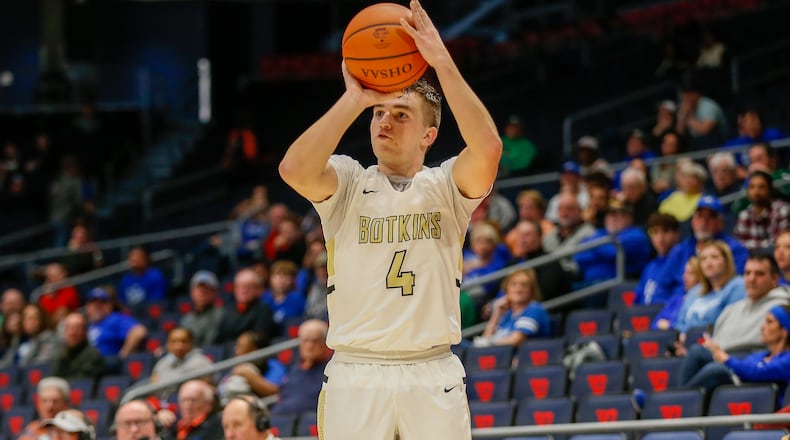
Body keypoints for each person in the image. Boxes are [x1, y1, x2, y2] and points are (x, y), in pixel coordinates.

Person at [277, 1, 502, 437]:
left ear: (428, 135)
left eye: (401, 115)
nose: (385, 121)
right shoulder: (347, 181)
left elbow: (488, 150)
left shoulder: (445, 187)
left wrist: (441, 62)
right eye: (379, 113)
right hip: (356, 372)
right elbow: (293, 170)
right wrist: (355, 98)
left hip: (431, 370)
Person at [652, 195, 749, 304]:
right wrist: (668, 310)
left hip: (714, 304)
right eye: (699, 216)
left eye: (710, 217)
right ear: (693, 221)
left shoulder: (734, 249)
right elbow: (662, 287)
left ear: (720, 223)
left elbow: (735, 286)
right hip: (677, 306)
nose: (704, 222)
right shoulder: (680, 250)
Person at [682, 304, 790, 397]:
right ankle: (679, 402)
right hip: (738, 388)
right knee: (697, 351)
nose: (762, 327)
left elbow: (756, 373)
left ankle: (680, 404)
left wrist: (725, 358)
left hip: (755, 399)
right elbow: (745, 368)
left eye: (769, 322)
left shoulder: (787, 359)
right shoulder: (759, 355)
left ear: (785, 330)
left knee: (716, 370)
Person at [672, 240, 746, 339]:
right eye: (703, 259)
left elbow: (728, 323)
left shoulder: (737, 285)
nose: (708, 262)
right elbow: (680, 324)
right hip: (686, 345)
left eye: (714, 257)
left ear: (726, 261)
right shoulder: (695, 291)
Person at [270, 319, 332, 416]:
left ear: (325, 343)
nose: (309, 346)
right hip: (281, 422)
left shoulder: (331, 371)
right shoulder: (294, 370)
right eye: (305, 340)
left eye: (315, 341)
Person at [476, 269, 551, 347]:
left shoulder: (534, 309)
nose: (518, 289)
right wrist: (496, 314)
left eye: (524, 285)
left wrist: (489, 343)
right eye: (513, 284)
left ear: (531, 290)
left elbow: (516, 340)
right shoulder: (508, 313)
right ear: (506, 289)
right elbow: (485, 341)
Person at [217, 331, 285, 405]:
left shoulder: (273, 366)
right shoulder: (236, 366)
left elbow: (277, 392)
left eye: (240, 346)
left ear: (253, 350)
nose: (235, 350)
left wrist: (249, 376)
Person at [149, 327, 213, 400]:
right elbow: (153, 388)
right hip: (163, 403)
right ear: (168, 344)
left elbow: (207, 388)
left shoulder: (202, 362)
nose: (179, 346)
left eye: (183, 341)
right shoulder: (161, 364)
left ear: (191, 343)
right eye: (174, 341)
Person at [215, 268, 276, 344]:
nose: (243, 290)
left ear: (259, 289)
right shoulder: (228, 310)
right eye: (239, 286)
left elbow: (260, 340)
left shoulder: (264, 311)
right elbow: (218, 337)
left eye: (248, 286)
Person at [84, 287, 147, 360]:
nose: (98, 306)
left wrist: (124, 353)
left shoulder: (115, 319)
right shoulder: (86, 323)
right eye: (93, 303)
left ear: (110, 305)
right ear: (87, 306)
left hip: (107, 363)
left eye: (102, 302)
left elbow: (139, 331)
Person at [734, 170, 790, 250]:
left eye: (761, 187)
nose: (756, 192)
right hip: (752, 260)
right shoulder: (744, 215)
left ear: (770, 190)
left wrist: (750, 245)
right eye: (752, 187)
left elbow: (777, 245)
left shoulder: (783, 210)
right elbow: (739, 245)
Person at [635, 213, 682, 305]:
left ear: (677, 234)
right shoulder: (650, 267)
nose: (660, 238)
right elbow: (638, 298)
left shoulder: (681, 260)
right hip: (644, 315)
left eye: (666, 231)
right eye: (655, 232)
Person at [52, 312, 105, 380]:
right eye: (69, 328)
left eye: (77, 328)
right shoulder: (61, 354)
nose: (73, 333)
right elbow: (54, 378)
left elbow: (82, 382)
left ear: (85, 332)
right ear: (65, 332)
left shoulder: (93, 355)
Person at [179, 270, 225, 347]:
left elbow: (209, 343)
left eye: (207, 288)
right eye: (198, 288)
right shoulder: (186, 319)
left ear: (215, 292)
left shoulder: (220, 315)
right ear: (192, 292)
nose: (202, 292)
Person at [118, 246, 168, 312]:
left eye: (138, 256)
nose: (134, 259)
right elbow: (121, 302)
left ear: (146, 258)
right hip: (130, 316)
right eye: (132, 256)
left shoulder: (155, 276)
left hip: (148, 314)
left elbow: (156, 302)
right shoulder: (125, 280)